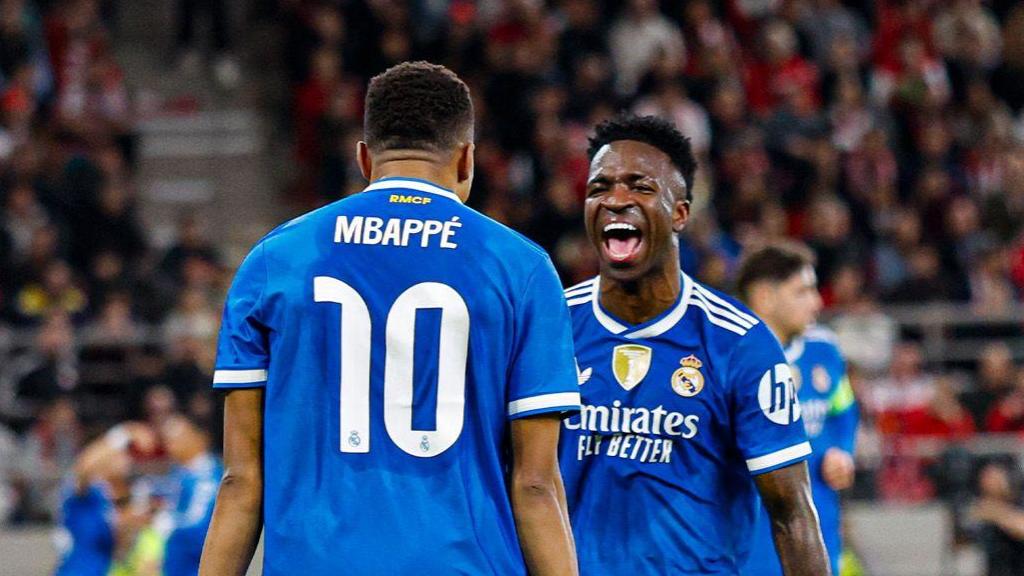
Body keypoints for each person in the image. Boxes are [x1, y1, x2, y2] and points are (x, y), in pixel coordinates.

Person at [200, 61, 580, 576]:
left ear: (363, 158)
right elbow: (536, 484)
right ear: (466, 159)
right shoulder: (521, 269)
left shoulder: (274, 262)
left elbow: (241, 482)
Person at [559, 114, 830, 575]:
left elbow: (793, 514)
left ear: (680, 212)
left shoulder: (740, 344)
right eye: (599, 188)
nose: (616, 200)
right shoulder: (550, 327)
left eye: (640, 187)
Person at [736, 242, 860, 576]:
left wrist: (842, 450)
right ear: (764, 296)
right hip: (749, 540)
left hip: (818, 530)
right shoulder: (728, 359)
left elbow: (844, 410)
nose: (817, 302)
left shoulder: (825, 351)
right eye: (802, 291)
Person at [54, 422, 157, 576]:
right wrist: (124, 434)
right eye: (119, 455)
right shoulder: (82, 490)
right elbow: (84, 467)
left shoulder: (107, 498)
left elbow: (120, 542)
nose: (126, 460)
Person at [159, 414, 221, 576]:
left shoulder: (207, 477)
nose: (170, 444)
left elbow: (200, 526)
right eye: (167, 439)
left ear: (196, 437)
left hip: (195, 567)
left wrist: (166, 525)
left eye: (175, 437)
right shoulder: (180, 473)